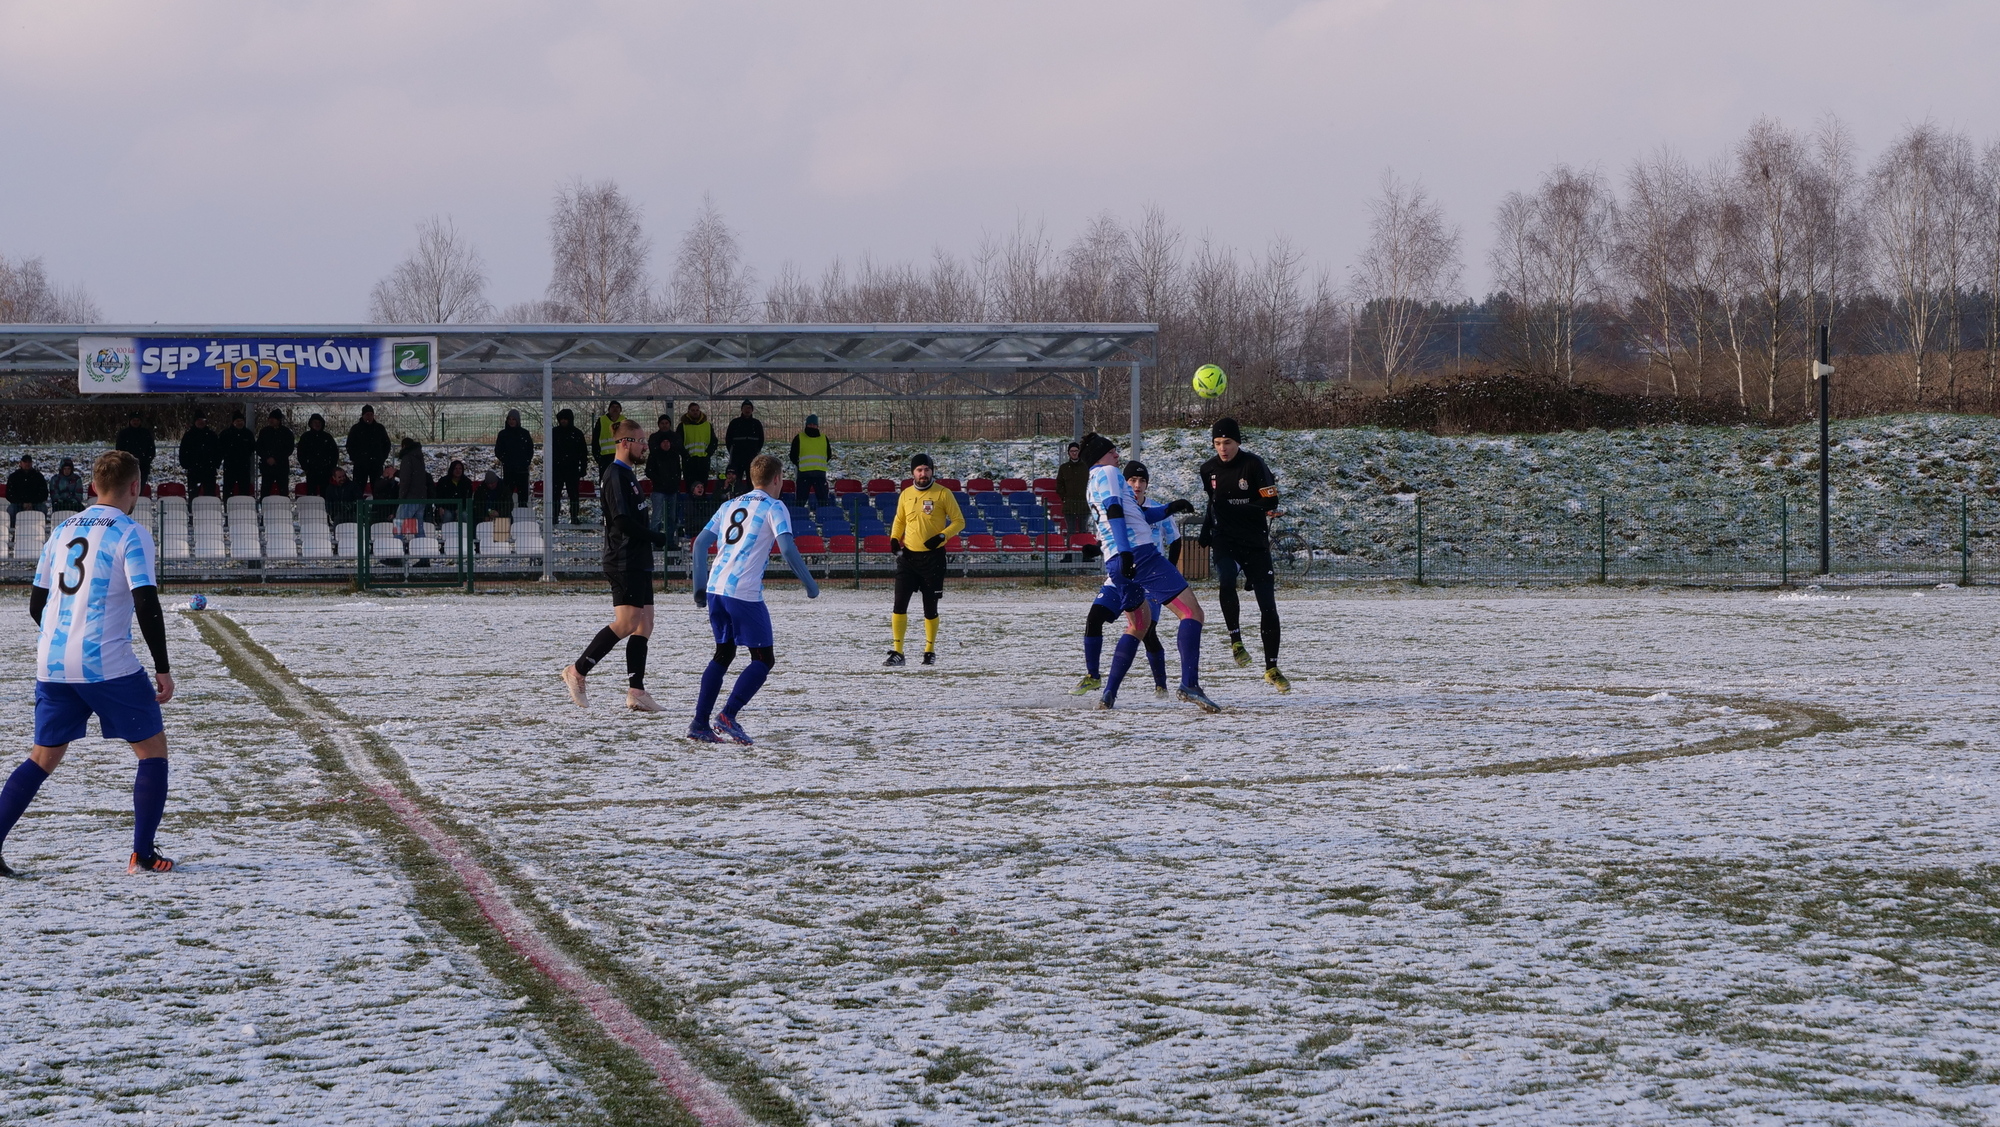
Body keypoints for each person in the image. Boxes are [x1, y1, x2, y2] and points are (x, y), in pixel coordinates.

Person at [0, 450, 177, 876]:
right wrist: (162, 666)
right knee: (152, 750)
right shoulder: (130, 533)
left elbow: (37, 604)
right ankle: (143, 854)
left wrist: (64, 637)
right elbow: (146, 602)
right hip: (106, 663)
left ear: (93, 487)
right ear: (135, 487)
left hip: (53, 662)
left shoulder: (61, 529)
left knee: (42, 757)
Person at [1081, 432, 1219, 712]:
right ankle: (1190, 684)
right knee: (1192, 613)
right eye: (1111, 451)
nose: (1117, 455)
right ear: (1099, 456)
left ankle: (1108, 694)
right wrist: (1127, 550)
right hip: (1139, 554)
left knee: (1139, 626)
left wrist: (1170, 508)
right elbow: (1115, 509)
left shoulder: (1093, 482)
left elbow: (1137, 514)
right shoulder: (1108, 472)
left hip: (1115, 563)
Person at [689, 453, 820, 744]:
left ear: (751, 478)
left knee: (723, 654)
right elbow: (787, 548)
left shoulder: (729, 505)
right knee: (763, 658)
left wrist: (699, 590)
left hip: (716, 588)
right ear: (778, 479)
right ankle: (728, 715)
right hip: (743, 592)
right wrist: (810, 585)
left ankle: (699, 723)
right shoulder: (774, 506)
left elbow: (699, 545)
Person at [561, 419, 669, 715]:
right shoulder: (615, 474)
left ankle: (637, 692)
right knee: (627, 623)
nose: (645, 446)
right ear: (624, 443)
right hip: (623, 559)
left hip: (639, 559)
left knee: (645, 623)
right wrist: (656, 537)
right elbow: (621, 522)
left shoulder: (629, 474)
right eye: (640, 441)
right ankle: (577, 671)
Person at [1074, 461, 1194, 696]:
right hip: (1120, 576)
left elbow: (1175, 540)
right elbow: (1108, 538)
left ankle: (1160, 685)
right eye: (1132, 480)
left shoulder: (1155, 508)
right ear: (1123, 483)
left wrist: (1168, 570)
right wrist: (1095, 549)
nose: (1137, 485)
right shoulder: (1114, 504)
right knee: (1094, 618)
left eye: (1142, 481)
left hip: (1149, 578)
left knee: (1146, 631)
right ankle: (1092, 676)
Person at [1198, 417, 1289, 691]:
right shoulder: (1208, 469)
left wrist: (1240, 509)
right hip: (1225, 540)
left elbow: (1271, 500)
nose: (1222, 448)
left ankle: (1272, 668)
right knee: (1226, 579)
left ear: (1237, 442)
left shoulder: (1254, 465)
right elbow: (1213, 503)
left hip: (1254, 542)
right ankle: (1236, 641)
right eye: (1217, 443)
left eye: (1227, 442)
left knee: (1268, 606)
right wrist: (1206, 528)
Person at [883, 453, 965, 667]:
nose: (923, 474)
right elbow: (899, 519)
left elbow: (959, 521)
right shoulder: (906, 494)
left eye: (927, 469)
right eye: (919, 470)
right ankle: (898, 652)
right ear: (913, 472)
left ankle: (929, 650)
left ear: (932, 471)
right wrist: (894, 539)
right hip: (908, 558)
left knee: (930, 608)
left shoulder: (943, 493)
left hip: (933, 559)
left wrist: (942, 536)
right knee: (899, 605)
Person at [675, 402, 715, 529]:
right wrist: (685, 455)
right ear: (688, 411)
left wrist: (708, 453)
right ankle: (690, 520)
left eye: (697, 410)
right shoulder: (682, 426)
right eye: (693, 410)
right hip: (689, 462)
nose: (695, 412)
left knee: (702, 488)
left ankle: (703, 517)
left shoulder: (707, 425)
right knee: (690, 490)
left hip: (703, 461)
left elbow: (713, 441)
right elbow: (678, 442)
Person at [645, 411, 681, 548]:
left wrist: (675, 483)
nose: (666, 444)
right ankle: (655, 542)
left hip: (672, 490)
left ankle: (670, 542)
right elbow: (649, 471)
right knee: (657, 517)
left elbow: (678, 471)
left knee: (671, 518)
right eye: (663, 442)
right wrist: (659, 481)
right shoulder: (654, 456)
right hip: (659, 490)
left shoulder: (674, 455)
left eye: (668, 442)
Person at [1055, 441, 1095, 559]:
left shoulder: (1086, 467)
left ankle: (1086, 556)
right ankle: (1069, 555)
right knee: (1071, 531)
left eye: (1076, 451)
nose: (1074, 453)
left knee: (1083, 530)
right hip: (1069, 504)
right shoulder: (1064, 468)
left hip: (1084, 504)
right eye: (1072, 451)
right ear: (1068, 453)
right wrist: (1065, 497)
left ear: (1079, 452)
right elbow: (1059, 485)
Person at [551, 409, 588, 524]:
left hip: (572, 469)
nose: (563, 421)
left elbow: (583, 452)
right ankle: (554, 516)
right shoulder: (554, 433)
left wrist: (583, 468)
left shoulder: (577, 434)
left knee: (574, 494)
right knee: (555, 494)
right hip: (557, 469)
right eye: (561, 419)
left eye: (565, 419)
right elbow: (547, 450)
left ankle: (574, 517)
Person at [494, 409, 535, 511]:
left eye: (514, 419)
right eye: (510, 419)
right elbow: (498, 450)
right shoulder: (503, 434)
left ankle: (523, 515)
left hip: (522, 470)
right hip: (509, 470)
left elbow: (530, 449)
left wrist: (526, 461)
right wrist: (505, 460)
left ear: (518, 420)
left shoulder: (524, 434)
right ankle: (506, 513)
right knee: (507, 495)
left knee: (523, 497)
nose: (511, 421)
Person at [790, 414, 833, 509]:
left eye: (814, 424)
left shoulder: (824, 438)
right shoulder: (799, 438)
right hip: (805, 474)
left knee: (823, 501)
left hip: (818, 474)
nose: (812, 426)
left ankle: (823, 516)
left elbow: (828, 454)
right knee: (801, 501)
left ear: (817, 426)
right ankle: (800, 516)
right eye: (810, 424)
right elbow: (793, 455)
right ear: (806, 425)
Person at [723, 399, 765, 497]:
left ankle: (752, 497)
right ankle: (736, 497)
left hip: (752, 457)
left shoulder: (756, 423)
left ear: (752, 410)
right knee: (737, 479)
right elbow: (728, 439)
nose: (747, 410)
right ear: (741, 409)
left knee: (752, 479)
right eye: (745, 408)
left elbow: (761, 440)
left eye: (749, 408)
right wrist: (733, 452)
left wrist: (756, 451)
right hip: (737, 457)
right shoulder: (735, 423)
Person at [346, 405, 391, 487]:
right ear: (363, 415)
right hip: (361, 465)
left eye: (371, 414)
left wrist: (382, 458)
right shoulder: (356, 429)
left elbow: (387, 444)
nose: (369, 417)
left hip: (376, 464)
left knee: (378, 487)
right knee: (358, 487)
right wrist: (355, 458)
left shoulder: (379, 428)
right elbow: (350, 445)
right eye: (367, 414)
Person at [297, 413, 339, 497]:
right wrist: (305, 467)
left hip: (326, 470)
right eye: (315, 422)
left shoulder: (327, 437)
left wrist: (331, 467)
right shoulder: (306, 437)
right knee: (311, 494)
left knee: (326, 493)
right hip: (311, 470)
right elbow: (301, 453)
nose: (317, 424)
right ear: (311, 424)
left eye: (319, 422)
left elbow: (334, 453)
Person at [178, 412, 219, 497]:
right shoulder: (188, 436)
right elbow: (183, 452)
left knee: (210, 495)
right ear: (194, 422)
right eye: (198, 420)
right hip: (194, 471)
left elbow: (218, 451)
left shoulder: (212, 435)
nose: (201, 422)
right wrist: (187, 465)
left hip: (209, 471)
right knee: (193, 496)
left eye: (203, 420)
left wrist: (215, 464)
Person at [256, 409, 295, 498]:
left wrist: (276, 458)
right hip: (267, 467)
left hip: (281, 466)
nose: (271, 420)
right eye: (270, 418)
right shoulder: (264, 432)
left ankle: (283, 506)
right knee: (265, 491)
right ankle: (264, 505)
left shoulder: (286, 433)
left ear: (279, 420)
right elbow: (259, 447)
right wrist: (267, 457)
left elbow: (289, 449)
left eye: (274, 419)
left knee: (283, 491)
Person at [218, 411, 256, 497]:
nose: (240, 423)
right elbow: (220, 449)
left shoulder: (248, 434)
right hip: (230, 467)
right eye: (237, 421)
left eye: (241, 421)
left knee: (244, 490)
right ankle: (227, 503)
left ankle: (244, 505)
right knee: (228, 490)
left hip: (244, 467)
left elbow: (252, 447)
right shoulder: (226, 434)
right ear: (233, 422)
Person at [395, 437, 430, 529]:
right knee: (418, 527)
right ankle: (421, 538)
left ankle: (397, 539)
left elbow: (405, 479)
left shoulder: (407, 458)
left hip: (410, 498)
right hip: (421, 496)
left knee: (399, 525)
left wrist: (402, 496)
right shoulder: (419, 457)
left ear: (404, 446)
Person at [114, 413, 155, 489]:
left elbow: (151, 449)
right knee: (128, 488)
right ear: (130, 421)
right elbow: (119, 450)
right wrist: (125, 460)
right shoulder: (123, 434)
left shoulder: (146, 433)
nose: (136, 422)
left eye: (137, 420)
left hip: (143, 466)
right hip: (127, 466)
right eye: (134, 420)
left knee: (140, 487)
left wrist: (147, 460)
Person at [8, 455, 48, 524]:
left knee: (43, 508)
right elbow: (9, 494)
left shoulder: (38, 476)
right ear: (20, 463)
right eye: (25, 462)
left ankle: (40, 526)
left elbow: (44, 493)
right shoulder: (13, 476)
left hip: (35, 503)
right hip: (18, 504)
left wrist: (32, 503)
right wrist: (21, 503)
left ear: (31, 463)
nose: (27, 464)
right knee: (11, 509)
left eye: (29, 462)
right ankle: (13, 527)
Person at [591, 400, 625, 474]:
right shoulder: (602, 420)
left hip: (621, 457)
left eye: (617, 407)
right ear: (609, 409)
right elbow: (595, 439)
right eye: (613, 407)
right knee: (606, 478)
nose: (615, 409)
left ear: (620, 410)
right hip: (605, 457)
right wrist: (598, 457)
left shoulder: (624, 421)